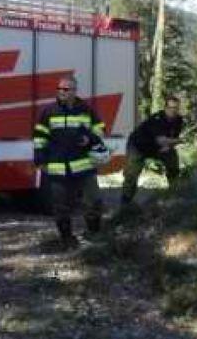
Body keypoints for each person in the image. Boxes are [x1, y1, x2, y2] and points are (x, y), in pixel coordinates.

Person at [33, 76, 109, 249]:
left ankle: (94, 234)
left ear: (74, 91)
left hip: (84, 166)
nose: (61, 92)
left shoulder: (85, 109)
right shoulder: (48, 111)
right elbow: (39, 136)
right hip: (58, 167)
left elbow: (100, 128)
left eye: (66, 89)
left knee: (93, 201)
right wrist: (40, 159)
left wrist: (89, 138)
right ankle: (67, 239)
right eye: (59, 89)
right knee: (60, 206)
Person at [120, 96, 185, 207]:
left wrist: (171, 144)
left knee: (172, 157)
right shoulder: (157, 119)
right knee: (131, 174)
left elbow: (170, 141)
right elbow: (162, 140)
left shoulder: (178, 120)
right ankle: (125, 202)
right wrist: (179, 141)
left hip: (155, 147)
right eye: (170, 108)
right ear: (165, 108)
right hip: (138, 146)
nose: (173, 111)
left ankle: (174, 192)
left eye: (175, 108)